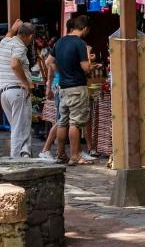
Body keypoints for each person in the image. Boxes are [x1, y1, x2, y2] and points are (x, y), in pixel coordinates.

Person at [43, 13, 102, 165]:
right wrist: (92, 65)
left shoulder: (60, 42)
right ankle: (75, 155)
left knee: (62, 122)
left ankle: (61, 154)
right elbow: (85, 67)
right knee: (75, 123)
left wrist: (61, 71)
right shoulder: (80, 43)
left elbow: (48, 61)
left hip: (63, 87)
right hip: (77, 86)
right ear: (85, 29)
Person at [0, 22, 38, 158]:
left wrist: (12, 29)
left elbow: (9, 34)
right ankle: (16, 160)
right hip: (17, 90)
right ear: (30, 36)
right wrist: (25, 83)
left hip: (5, 92)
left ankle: (25, 155)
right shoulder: (19, 46)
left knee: (19, 128)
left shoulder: (5, 42)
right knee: (19, 130)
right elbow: (15, 64)